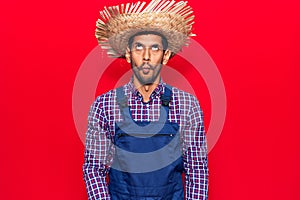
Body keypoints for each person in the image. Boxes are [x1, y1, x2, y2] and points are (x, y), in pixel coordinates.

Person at [83, 0, 209, 199]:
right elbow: (94, 170)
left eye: (155, 48)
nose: (147, 56)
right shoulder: (104, 106)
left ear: (165, 55)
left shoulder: (187, 105)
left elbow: (197, 170)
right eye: (139, 47)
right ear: (128, 54)